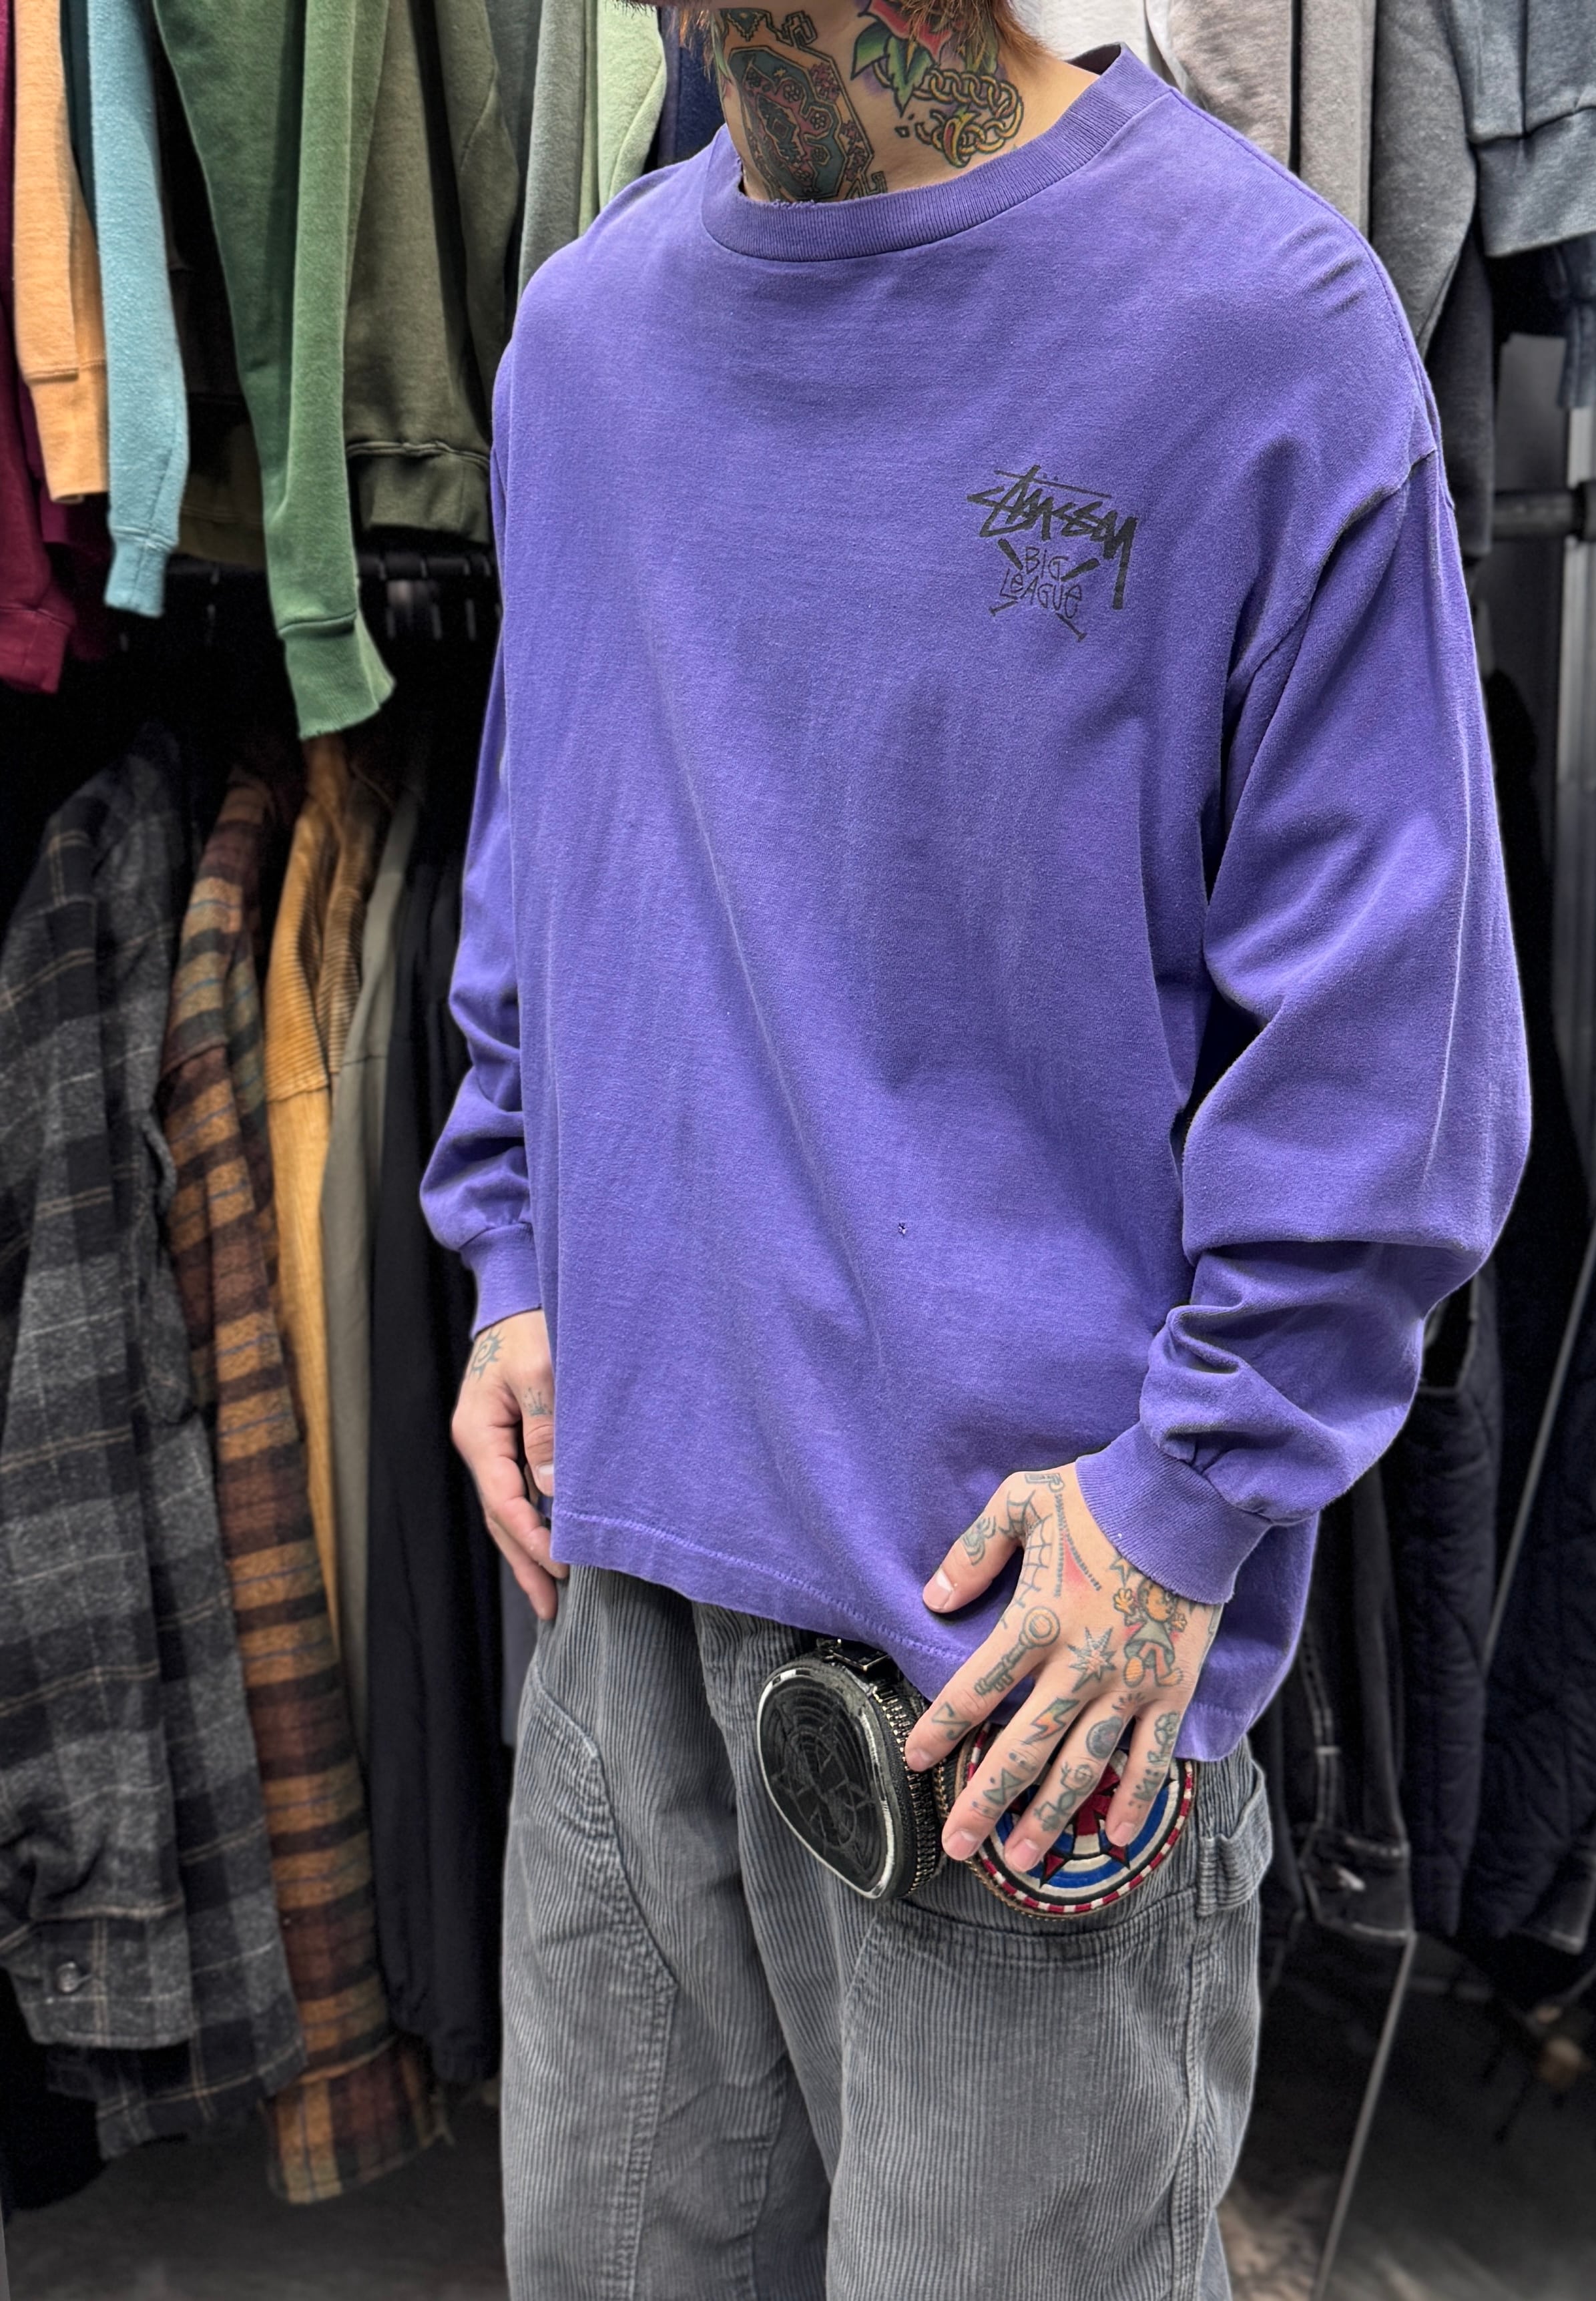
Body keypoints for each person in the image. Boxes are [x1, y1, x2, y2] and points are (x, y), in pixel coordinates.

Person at [423, 3, 1530, 2291]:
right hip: (625, 1605)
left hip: (1018, 1668)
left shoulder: (1257, 330)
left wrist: (1189, 1501)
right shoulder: (585, 347)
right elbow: (551, 851)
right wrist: (512, 1253)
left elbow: (1393, 1036)